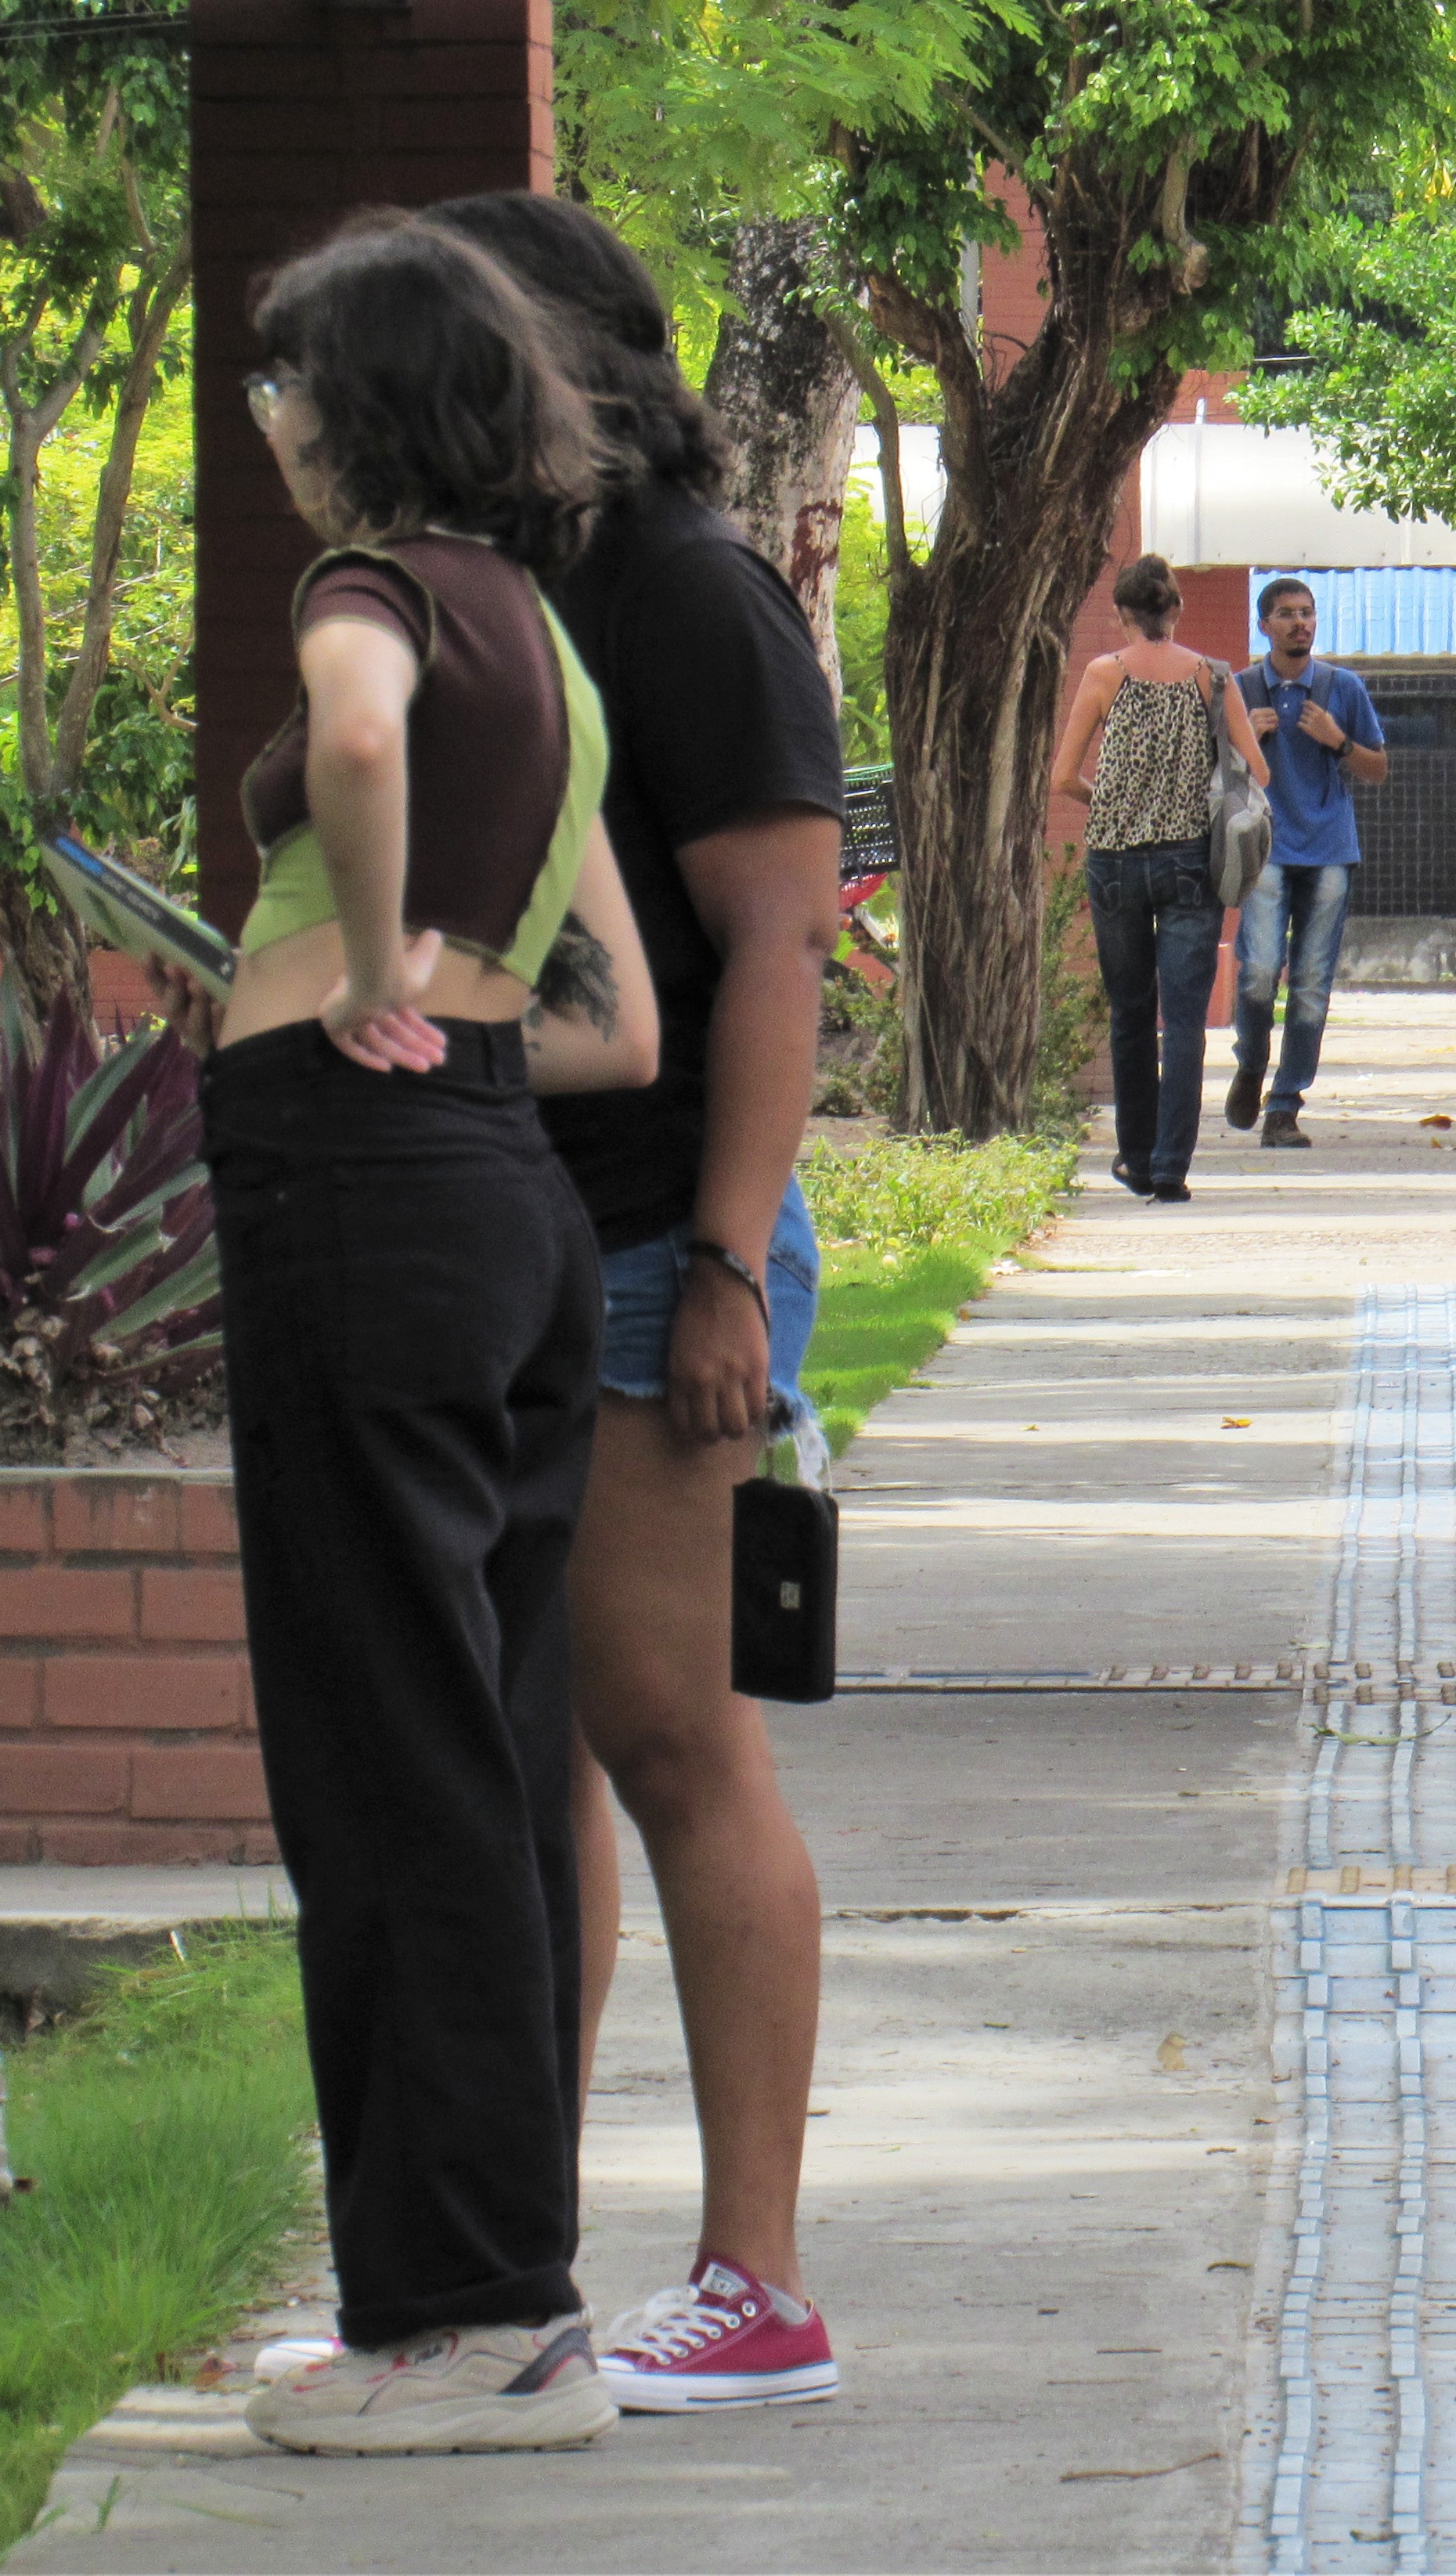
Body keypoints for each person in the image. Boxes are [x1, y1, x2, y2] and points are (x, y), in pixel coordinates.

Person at [183, 213, 661, 2458]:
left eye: (289, 388)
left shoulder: (369, 598)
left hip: (369, 1203)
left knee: (389, 1754)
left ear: (361, 408)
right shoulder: (549, 649)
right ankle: (462, 2300)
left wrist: (365, 976)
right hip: (490, 1196)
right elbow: (619, 1028)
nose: (270, 424)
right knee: (471, 1736)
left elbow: (352, 746)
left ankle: (475, 2317)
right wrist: (452, 1037)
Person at [423, 190, 851, 2417]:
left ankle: (754, 2279)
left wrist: (717, 1261)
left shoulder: (683, 591)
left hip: (646, 1254)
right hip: (528, 1232)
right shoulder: (521, 584)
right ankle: (533, 2260)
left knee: (678, 1742)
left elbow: (776, 945)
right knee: (551, 1766)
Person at [1051, 554, 1267, 1201]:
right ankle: (1172, 1167)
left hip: (1114, 861)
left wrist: (1113, 804)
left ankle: (1135, 1157)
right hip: (1188, 864)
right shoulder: (1212, 678)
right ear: (1176, 610)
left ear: (1121, 614)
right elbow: (1257, 772)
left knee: (1131, 1014)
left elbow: (1062, 779)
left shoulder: (1101, 674)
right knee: (1184, 1017)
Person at [1228, 576, 1387, 1147]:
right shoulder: (1240, 689)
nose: (1300, 623)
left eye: (1307, 613)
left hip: (1328, 850)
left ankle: (1284, 1106)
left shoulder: (1341, 689)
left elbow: (1377, 769)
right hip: (1264, 847)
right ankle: (1250, 1063)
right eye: (1287, 614)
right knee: (1258, 970)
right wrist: (1242, 738)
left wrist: (1338, 740)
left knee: (1313, 982)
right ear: (1264, 625)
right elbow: (1209, 773)